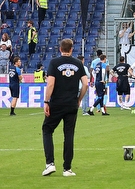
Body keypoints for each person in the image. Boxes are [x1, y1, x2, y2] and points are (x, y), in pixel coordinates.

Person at [41, 38, 87, 177]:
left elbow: (50, 84)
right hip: (71, 103)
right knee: (69, 135)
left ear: (60, 49)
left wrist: (46, 101)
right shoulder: (78, 63)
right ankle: (67, 169)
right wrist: (79, 99)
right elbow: (85, 84)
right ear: (71, 49)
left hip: (57, 103)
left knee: (47, 129)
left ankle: (50, 164)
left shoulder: (54, 63)